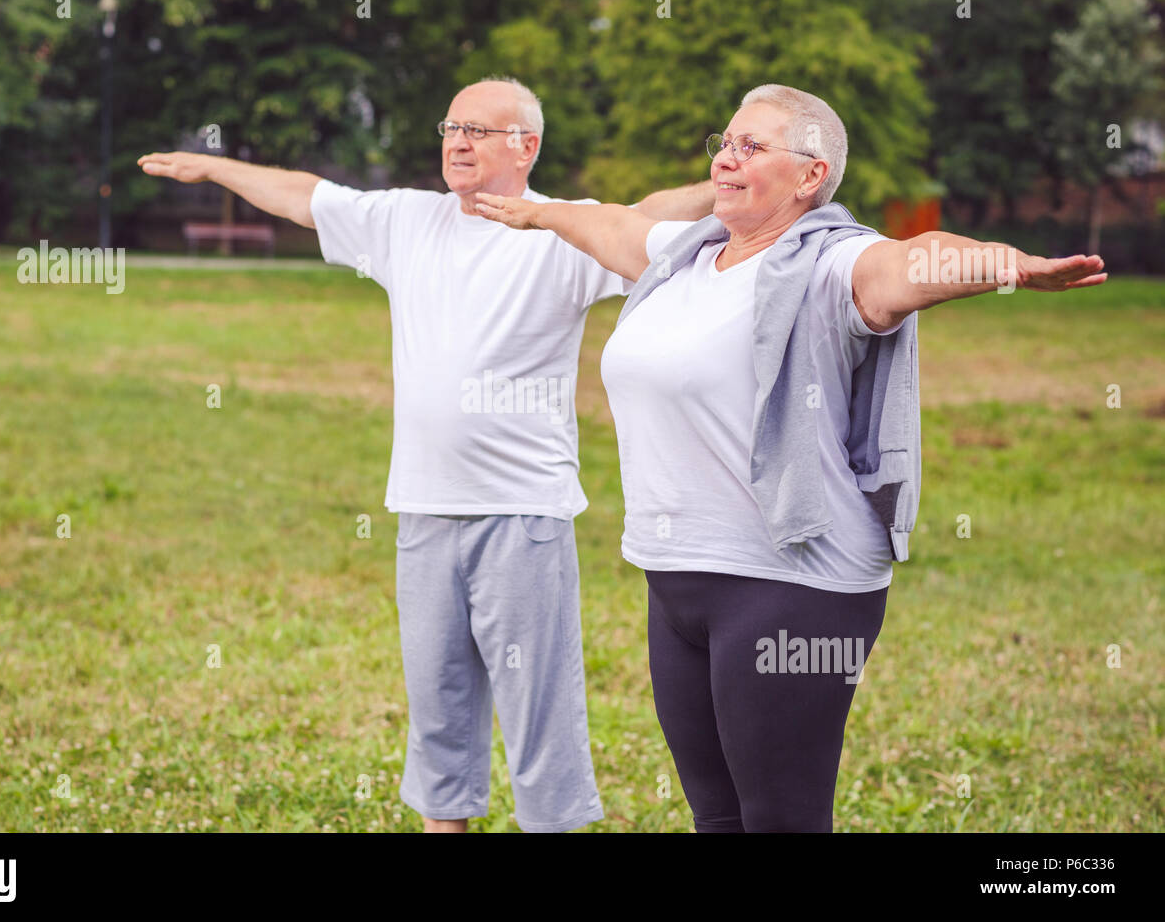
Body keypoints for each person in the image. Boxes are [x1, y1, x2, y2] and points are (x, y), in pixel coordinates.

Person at [474, 83, 1106, 832]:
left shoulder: (834, 266)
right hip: (677, 584)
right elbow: (610, 225)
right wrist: (535, 211)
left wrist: (1009, 265)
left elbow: (918, 262)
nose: (726, 159)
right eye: (725, 143)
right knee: (717, 817)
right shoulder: (684, 258)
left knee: (782, 818)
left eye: (752, 146)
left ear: (810, 175)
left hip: (791, 586)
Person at [138, 77, 714, 832]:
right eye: (451, 127)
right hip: (424, 510)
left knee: (539, 714)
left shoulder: (562, 229)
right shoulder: (407, 220)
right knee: (438, 710)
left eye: (478, 130)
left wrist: (726, 186)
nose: (458, 142)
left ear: (526, 146)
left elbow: (647, 216)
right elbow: (305, 194)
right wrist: (214, 167)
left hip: (522, 513)